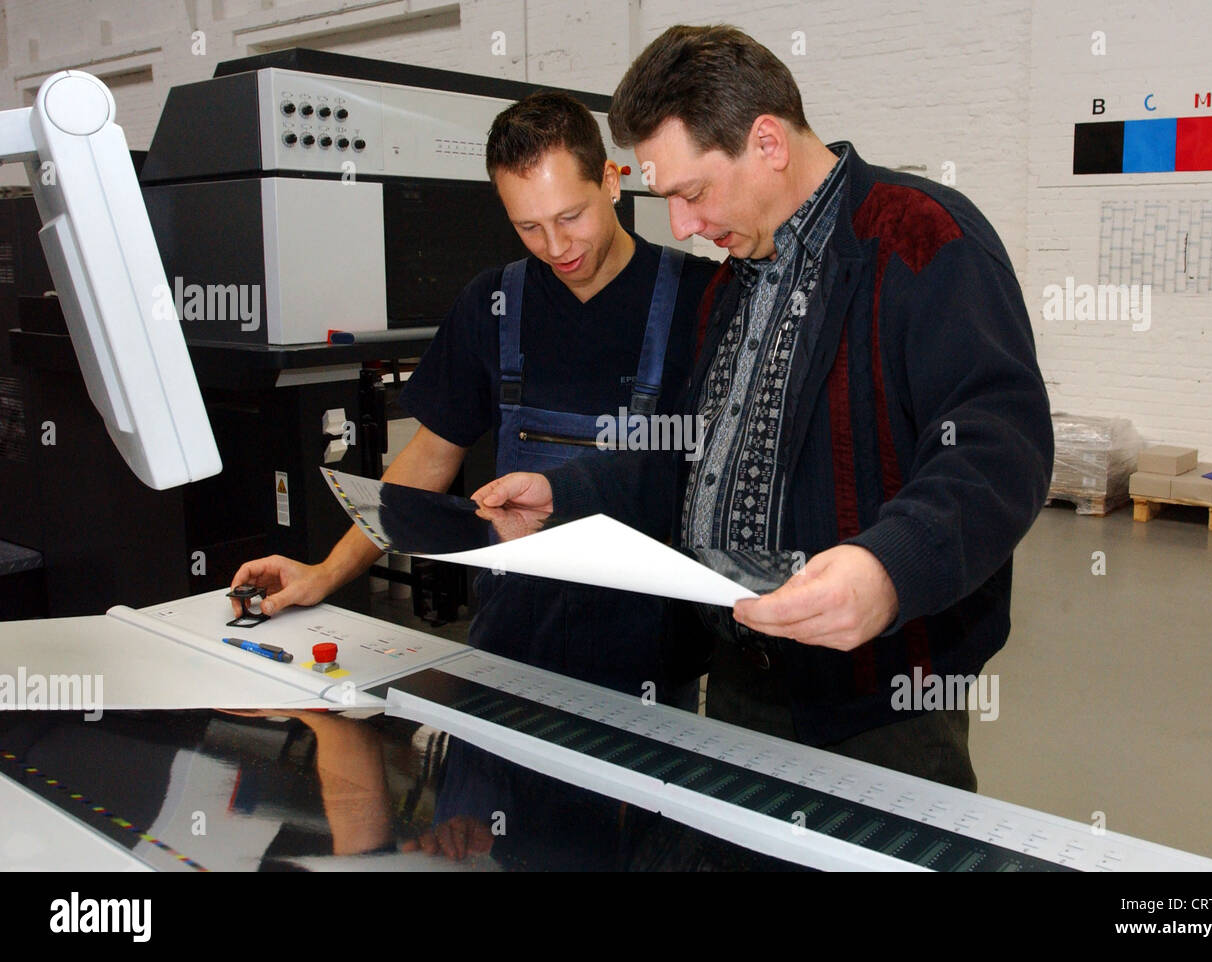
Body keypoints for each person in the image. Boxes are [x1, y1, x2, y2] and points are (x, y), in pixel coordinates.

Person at [474, 25, 1055, 791]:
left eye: (692, 192)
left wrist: (889, 567)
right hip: (744, 682)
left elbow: (998, 446)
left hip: (880, 706)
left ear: (769, 142)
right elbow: (688, 454)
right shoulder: (736, 276)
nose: (681, 226)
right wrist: (567, 492)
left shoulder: (919, 238)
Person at [230, 90, 720, 708]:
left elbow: (710, 474)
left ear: (611, 180)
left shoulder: (701, 300)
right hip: (509, 643)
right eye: (528, 227)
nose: (555, 246)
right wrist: (327, 573)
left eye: (570, 216)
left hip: (648, 656)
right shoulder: (494, 303)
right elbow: (429, 458)